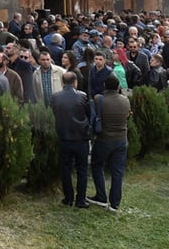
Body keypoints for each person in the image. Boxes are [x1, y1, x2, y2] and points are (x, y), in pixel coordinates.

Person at [88, 74, 131, 211]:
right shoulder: (125, 100)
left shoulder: (99, 99)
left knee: (97, 165)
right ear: (118, 87)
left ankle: (101, 196)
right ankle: (115, 203)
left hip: (104, 139)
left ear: (104, 86)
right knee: (117, 172)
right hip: (121, 140)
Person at [50, 71, 91, 208]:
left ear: (63, 83)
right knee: (82, 169)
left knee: (66, 169)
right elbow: (88, 114)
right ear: (75, 82)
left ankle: (68, 198)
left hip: (64, 137)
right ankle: (80, 199)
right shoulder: (82, 96)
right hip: (80, 138)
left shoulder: (55, 97)